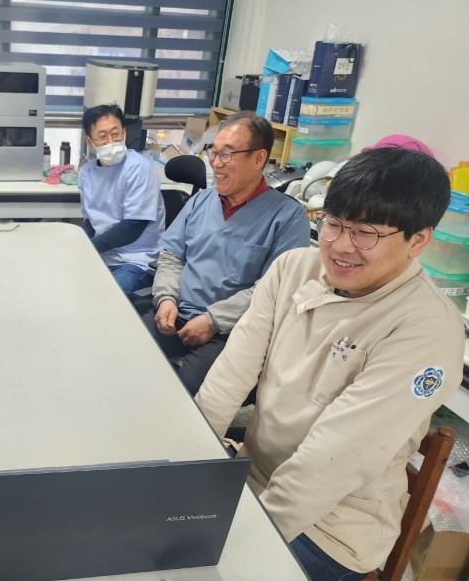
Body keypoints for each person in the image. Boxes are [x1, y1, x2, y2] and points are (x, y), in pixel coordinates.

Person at [195, 147, 464, 581]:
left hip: (329, 529)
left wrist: (239, 540)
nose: (340, 246)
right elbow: (229, 377)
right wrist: (190, 466)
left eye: (365, 233)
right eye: (333, 223)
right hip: (251, 477)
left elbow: (332, 462)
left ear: (418, 240)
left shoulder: (426, 328)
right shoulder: (293, 269)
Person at [144, 111, 309, 395]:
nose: (215, 163)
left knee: (181, 394)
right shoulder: (200, 200)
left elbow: (274, 290)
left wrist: (213, 320)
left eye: (227, 154)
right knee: (123, 353)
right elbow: (172, 256)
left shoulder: (287, 218)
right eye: (214, 152)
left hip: (231, 332)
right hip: (177, 313)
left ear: (258, 158)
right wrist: (166, 299)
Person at [78, 104, 165, 295]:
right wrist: (75, 242)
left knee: (106, 297)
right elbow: (92, 222)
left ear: (124, 133)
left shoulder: (139, 168)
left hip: (136, 260)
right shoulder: (86, 173)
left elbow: (132, 227)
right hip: (103, 255)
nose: (111, 141)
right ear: (89, 141)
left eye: (115, 134)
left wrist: (88, 248)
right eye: (102, 136)